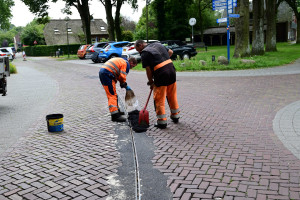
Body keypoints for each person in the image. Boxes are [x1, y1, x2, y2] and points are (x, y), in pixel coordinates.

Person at [135, 40, 180, 129]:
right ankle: (175, 116)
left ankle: (162, 122)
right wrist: (164, 61)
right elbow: (171, 52)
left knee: (159, 98)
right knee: (172, 95)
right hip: (171, 70)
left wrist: (151, 82)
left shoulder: (144, 53)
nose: (139, 52)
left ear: (140, 45)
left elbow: (148, 70)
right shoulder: (158, 44)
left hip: (161, 73)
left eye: (138, 50)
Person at [99, 57, 137, 122]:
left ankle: (117, 110)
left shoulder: (122, 61)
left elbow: (119, 74)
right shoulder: (126, 64)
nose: (132, 67)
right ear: (131, 62)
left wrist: (123, 84)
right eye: (133, 66)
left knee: (113, 93)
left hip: (104, 73)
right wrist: (124, 84)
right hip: (107, 74)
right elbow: (122, 76)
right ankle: (115, 115)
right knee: (112, 95)